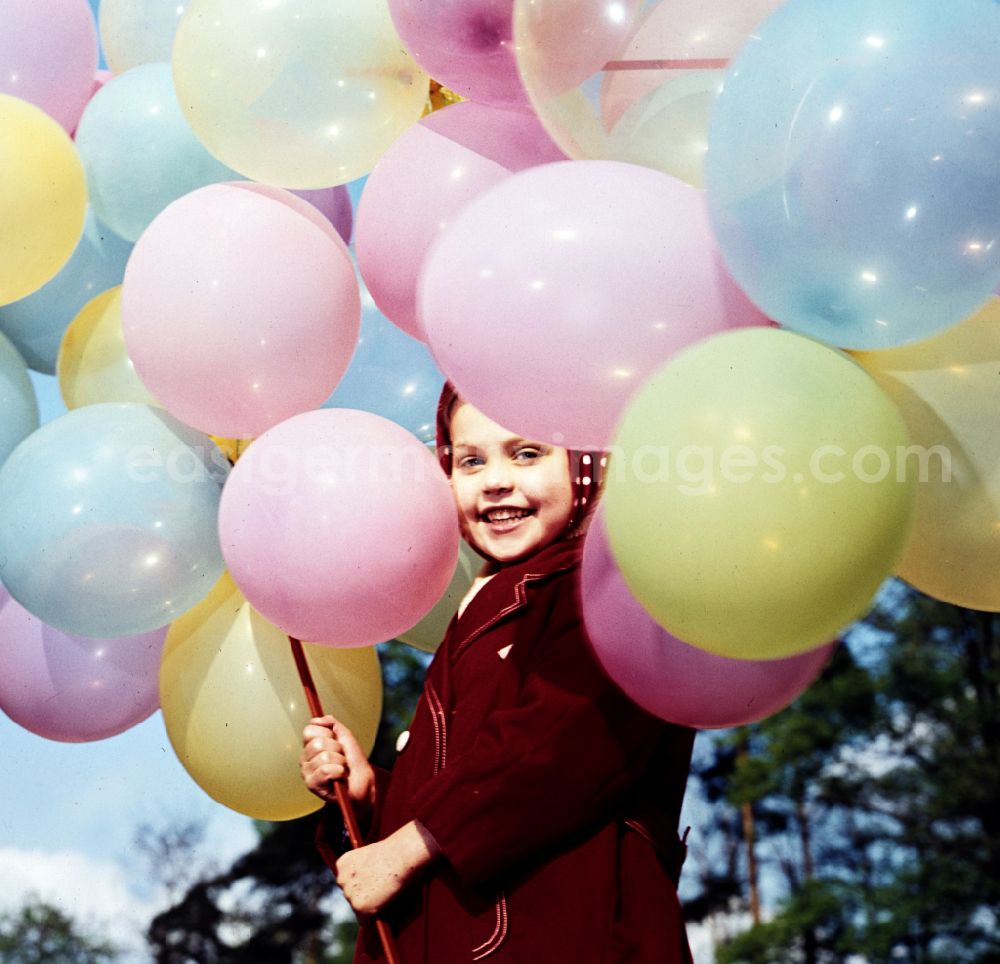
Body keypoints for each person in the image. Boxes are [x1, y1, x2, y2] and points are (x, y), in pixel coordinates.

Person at [300, 383, 696, 963]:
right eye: (470, 461)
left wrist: (406, 848)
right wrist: (371, 796)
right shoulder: (489, 600)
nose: (496, 480)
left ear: (586, 462)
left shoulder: (605, 584)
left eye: (528, 453)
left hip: (564, 932)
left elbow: (562, 744)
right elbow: (468, 774)